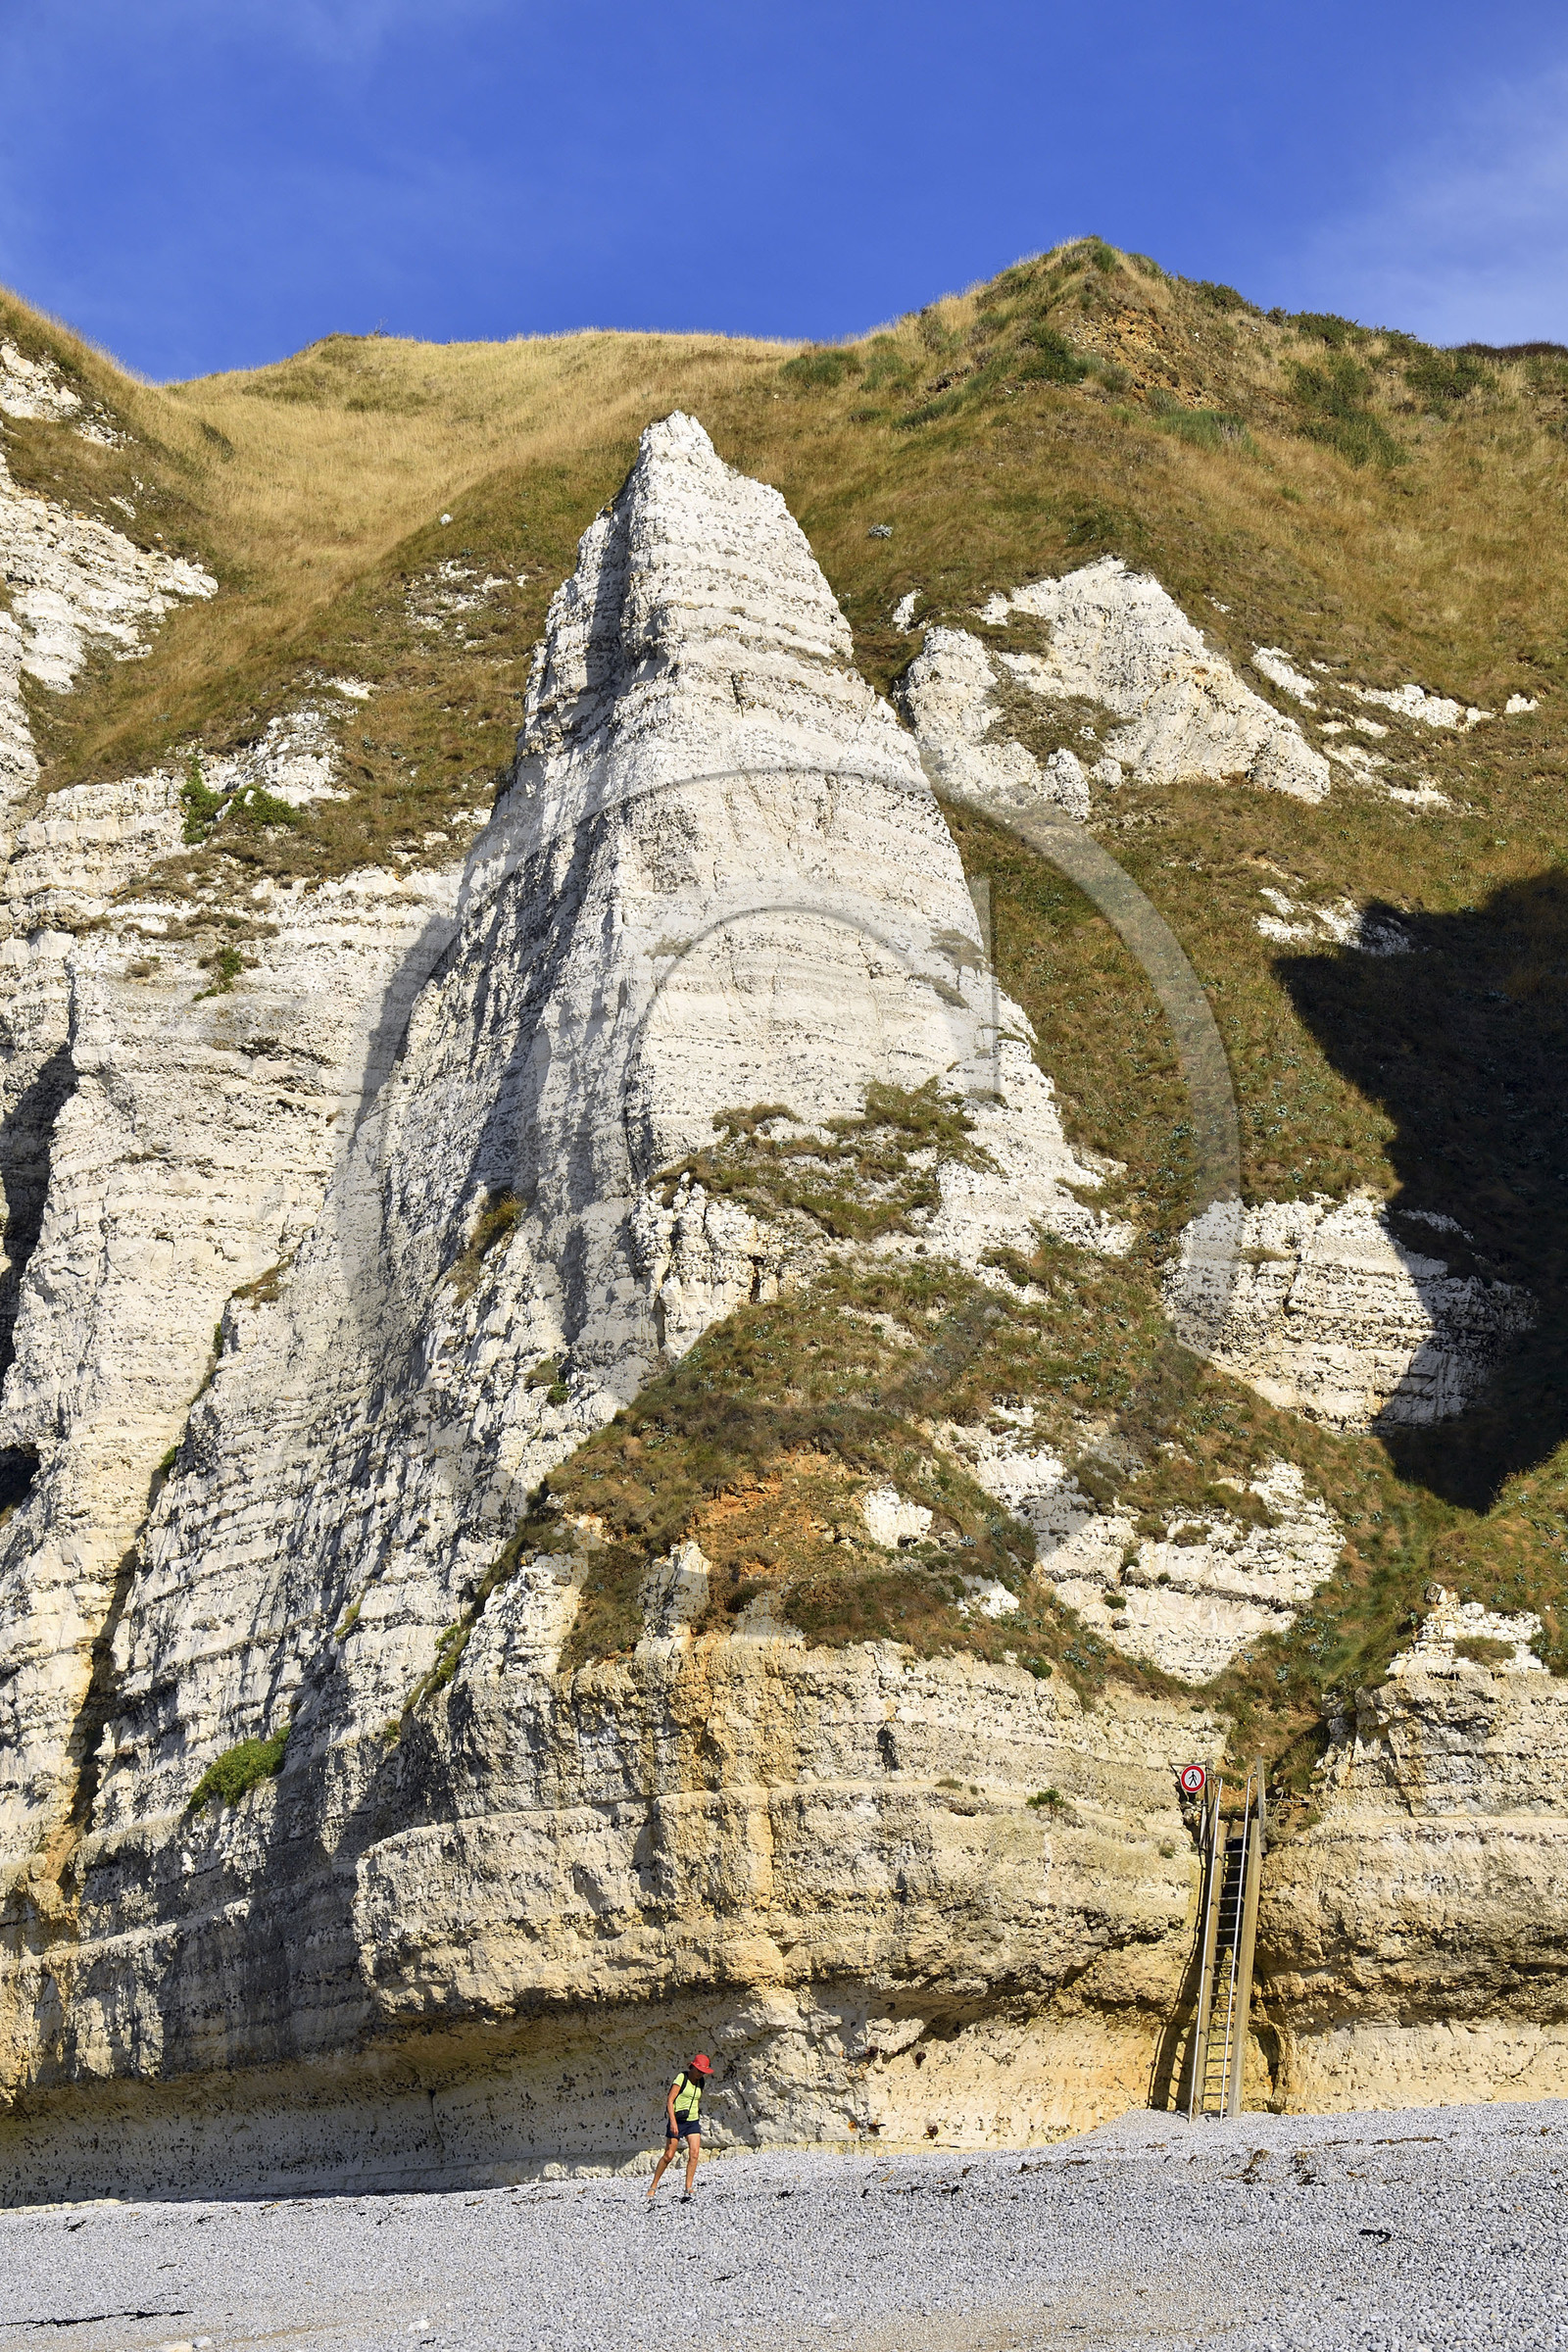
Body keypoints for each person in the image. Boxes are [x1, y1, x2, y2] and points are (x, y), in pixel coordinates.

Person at [645, 2053, 713, 2201]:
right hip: (677, 2120)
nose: (701, 2074)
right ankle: (653, 2185)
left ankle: (688, 2188)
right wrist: (673, 2122)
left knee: (694, 2153)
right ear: (693, 2067)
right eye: (699, 2071)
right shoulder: (681, 2078)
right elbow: (670, 2101)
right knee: (669, 2155)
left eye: (704, 2072)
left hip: (692, 2120)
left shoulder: (701, 2082)